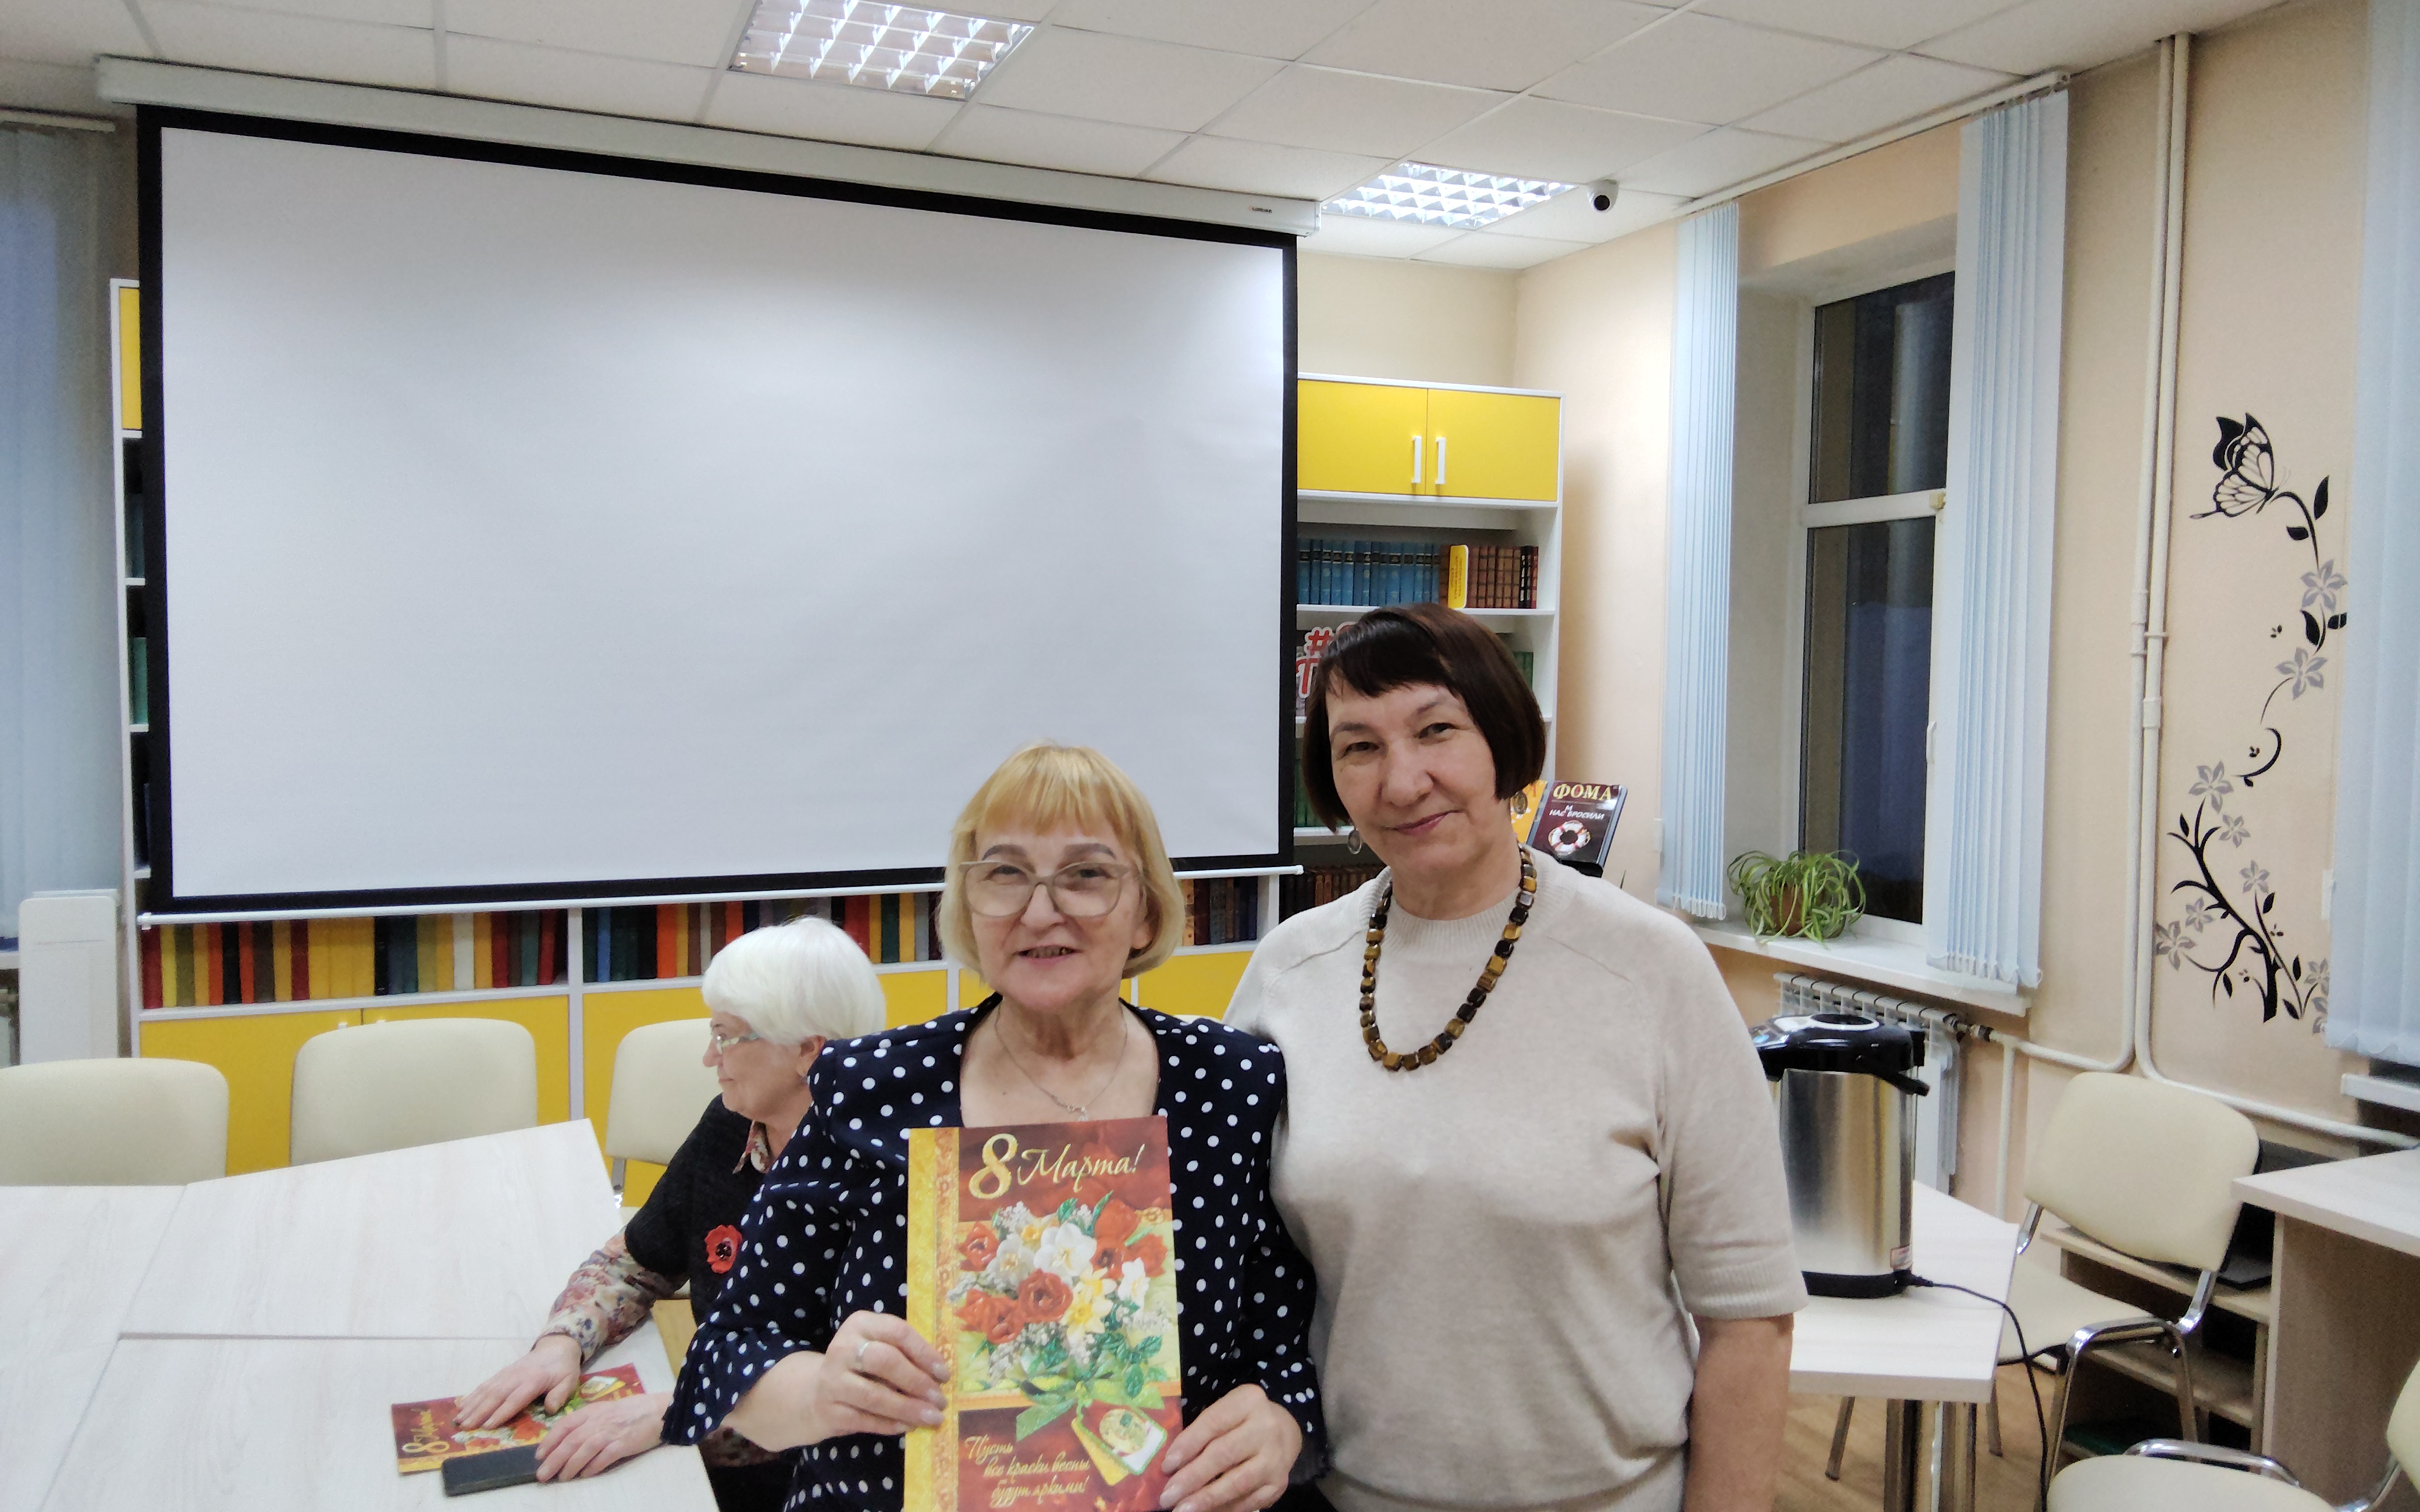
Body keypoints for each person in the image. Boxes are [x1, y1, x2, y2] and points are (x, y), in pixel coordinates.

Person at [1226, 603, 1806, 1512]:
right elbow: (1234, 1261)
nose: (1403, 781)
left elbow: (1750, 1319)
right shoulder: (1288, 973)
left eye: (1436, 730)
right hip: (1341, 1498)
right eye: (1359, 747)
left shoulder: (1651, 971)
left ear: (1503, 739)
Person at [666, 742, 1326, 1512]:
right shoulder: (869, 1087)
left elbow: (1284, 1349)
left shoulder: (1231, 1085)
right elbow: (729, 1351)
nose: (1039, 912)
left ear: (1147, 908)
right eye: (1005, 874)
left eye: (1086, 874)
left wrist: (1280, 1423)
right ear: (968, 907)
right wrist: (820, 1390)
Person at [456, 917, 887, 1512]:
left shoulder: (883, 1180)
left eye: (726, 1036)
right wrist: (561, 1342)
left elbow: (858, 1409)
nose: (709, 1056)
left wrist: (673, 1412)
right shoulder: (733, 1124)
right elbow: (635, 1262)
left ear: (807, 1050)